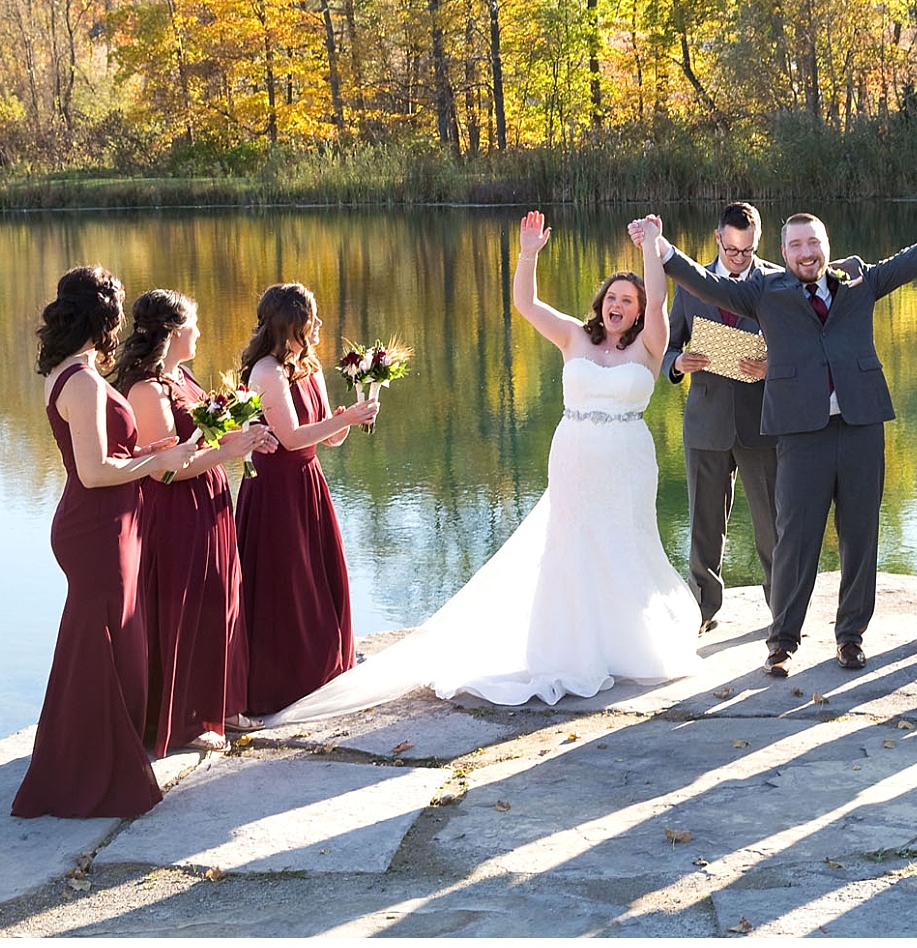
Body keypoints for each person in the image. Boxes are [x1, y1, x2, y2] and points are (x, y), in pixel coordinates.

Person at [265, 213, 698, 722]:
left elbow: (660, 297)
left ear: (642, 310)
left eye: (629, 300)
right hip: (575, 456)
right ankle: (573, 646)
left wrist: (651, 246)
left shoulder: (650, 347)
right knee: (575, 541)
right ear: (599, 305)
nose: (618, 305)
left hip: (627, 461)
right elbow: (525, 303)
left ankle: (625, 640)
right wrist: (529, 252)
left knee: (625, 540)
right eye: (611, 298)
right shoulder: (574, 338)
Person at [641, 189, 917, 676]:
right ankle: (782, 640)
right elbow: (706, 284)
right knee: (794, 538)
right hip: (799, 433)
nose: (806, 253)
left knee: (860, 535)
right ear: (784, 253)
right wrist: (661, 249)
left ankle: (850, 637)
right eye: (796, 246)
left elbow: (912, 259)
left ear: (826, 246)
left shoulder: (858, 280)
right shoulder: (765, 292)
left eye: (813, 243)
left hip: (860, 426)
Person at [13, 266, 196, 820]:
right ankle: (88, 774)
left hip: (106, 521)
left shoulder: (70, 371)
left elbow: (102, 459)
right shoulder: (85, 383)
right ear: (106, 318)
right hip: (97, 525)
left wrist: (151, 452)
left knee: (104, 641)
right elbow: (93, 472)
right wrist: (157, 460)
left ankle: (83, 759)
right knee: (104, 644)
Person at [112, 290, 275, 756]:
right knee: (187, 608)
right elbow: (165, 468)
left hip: (211, 498)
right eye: (195, 325)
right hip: (175, 511)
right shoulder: (147, 389)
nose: (200, 333)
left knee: (222, 600)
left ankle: (222, 703)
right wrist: (228, 451)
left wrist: (245, 437)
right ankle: (182, 718)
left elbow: (205, 436)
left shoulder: (180, 375)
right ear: (176, 331)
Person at [235, 283, 379, 718]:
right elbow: (292, 437)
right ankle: (281, 682)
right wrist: (345, 419)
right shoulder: (266, 372)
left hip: (307, 484)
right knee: (286, 584)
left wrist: (352, 415)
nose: (319, 326)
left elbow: (328, 437)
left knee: (318, 578)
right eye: (312, 319)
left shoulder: (308, 367)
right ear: (291, 324)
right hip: (274, 491)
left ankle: (322, 670)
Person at [663, 202, 780, 634]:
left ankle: (782, 610)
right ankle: (703, 608)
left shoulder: (776, 282)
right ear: (718, 239)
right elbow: (666, 347)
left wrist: (772, 367)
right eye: (732, 250)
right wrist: (679, 363)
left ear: (758, 242)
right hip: (706, 422)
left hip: (762, 422)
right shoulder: (691, 284)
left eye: (747, 251)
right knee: (704, 524)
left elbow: (799, 349)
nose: (739, 258)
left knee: (773, 524)